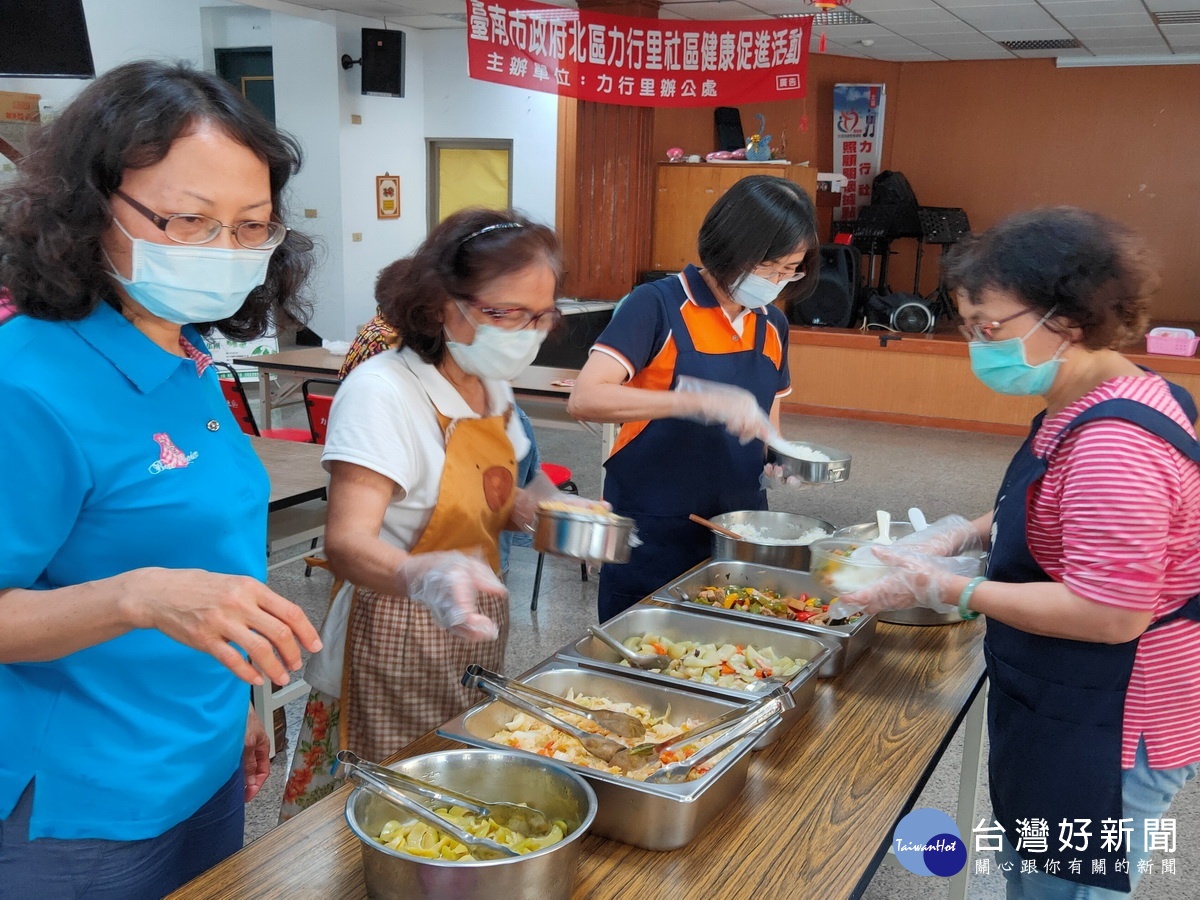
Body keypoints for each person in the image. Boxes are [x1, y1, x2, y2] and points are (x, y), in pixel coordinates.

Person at [0, 61, 323, 898]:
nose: (228, 251)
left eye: (253, 226)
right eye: (189, 220)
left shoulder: (182, 356)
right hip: (85, 803)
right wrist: (135, 597)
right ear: (89, 205)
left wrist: (243, 708)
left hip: (203, 760)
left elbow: (218, 555)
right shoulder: (26, 384)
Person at [836, 207, 1200, 897]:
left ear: (1065, 319)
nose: (976, 343)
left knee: (1065, 885)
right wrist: (964, 534)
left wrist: (953, 590)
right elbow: (1061, 511)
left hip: (1113, 720)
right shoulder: (1101, 393)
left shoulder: (1115, 445)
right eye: (970, 325)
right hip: (1070, 694)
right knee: (1034, 874)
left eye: (990, 327)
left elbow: (1111, 612)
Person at [280, 208, 586, 817]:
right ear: (442, 303)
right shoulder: (384, 391)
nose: (523, 333)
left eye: (540, 316)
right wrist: (423, 574)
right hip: (388, 630)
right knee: (382, 816)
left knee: (449, 795)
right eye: (502, 313)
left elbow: (500, 501)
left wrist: (554, 514)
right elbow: (346, 542)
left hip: (468, 628)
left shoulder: (489, 385)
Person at [567, 175, 820, 621]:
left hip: (740, 530)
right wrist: (693, 401)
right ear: (730, 247)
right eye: (769, 267)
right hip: (656, 527)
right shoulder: (657, 305)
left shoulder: (771, 325)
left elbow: (768, 426)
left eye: (790, 269)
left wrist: (784, 457)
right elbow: (586, 398)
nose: (777, 281)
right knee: (642, 659)